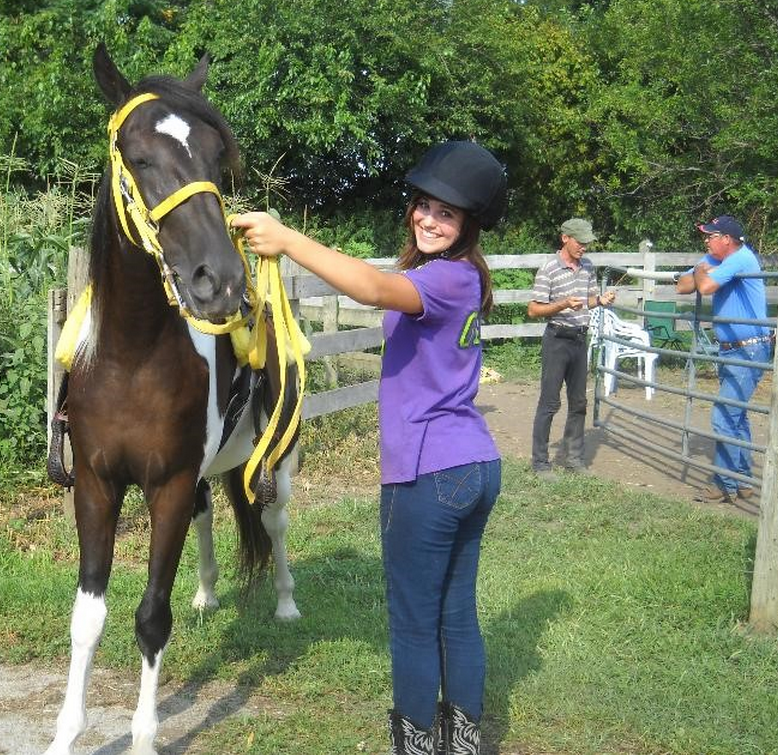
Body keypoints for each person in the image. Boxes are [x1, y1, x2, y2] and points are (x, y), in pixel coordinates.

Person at [232, 141, 505, 755]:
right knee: (455, 614)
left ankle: (417, 746)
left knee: (413, 625)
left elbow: (374, 291)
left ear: (469, 227)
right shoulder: (455, 278)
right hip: (471, 464)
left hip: (428, 471)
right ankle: (462, 743)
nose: (430, 220)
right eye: (425, 207)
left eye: (448, 215)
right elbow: (381, 279)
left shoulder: (445, 279)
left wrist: (288, 238)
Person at [676, 215, 771, 503]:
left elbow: (703, 287)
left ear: (726, 239)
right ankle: (742, 481)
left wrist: (702, 273)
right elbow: (683, 286)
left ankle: (723, 485)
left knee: (723, 416)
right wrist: (701, 272)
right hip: (732, 347)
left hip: (748, 347)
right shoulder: (716, 259)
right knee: (736, 416)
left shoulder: (740, 259)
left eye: (711, 236)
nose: (706, 240)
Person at [527, 218, 616, 477]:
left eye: (587, 242)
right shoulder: (548, 269)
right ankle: (540, 463)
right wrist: (563, 304)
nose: (584, 247)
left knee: (579, 402)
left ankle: (573, 459)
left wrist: (600, 299)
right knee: (550, 402)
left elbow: (587, 300)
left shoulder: (587, 266)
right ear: (565, 238)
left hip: (579, 339)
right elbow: (534, 309)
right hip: (557, 340)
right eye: (580, 241)